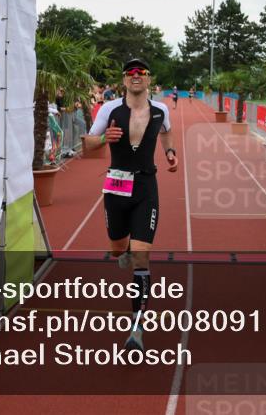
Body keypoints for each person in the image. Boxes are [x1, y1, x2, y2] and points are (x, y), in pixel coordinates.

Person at [85, 58, 178, 352]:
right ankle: (122, 250)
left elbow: (166, 131)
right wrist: (103, 140)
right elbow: (87, 144)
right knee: (117, 249)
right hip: (116, 185)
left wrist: (170, 152)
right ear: (124, 80)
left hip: (146, 186)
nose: (136, 76)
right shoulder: (110, 109)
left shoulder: (161, 109)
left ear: (149, 79)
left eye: (141, 72)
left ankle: (136, 327)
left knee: (141, 255)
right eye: (130, 73)